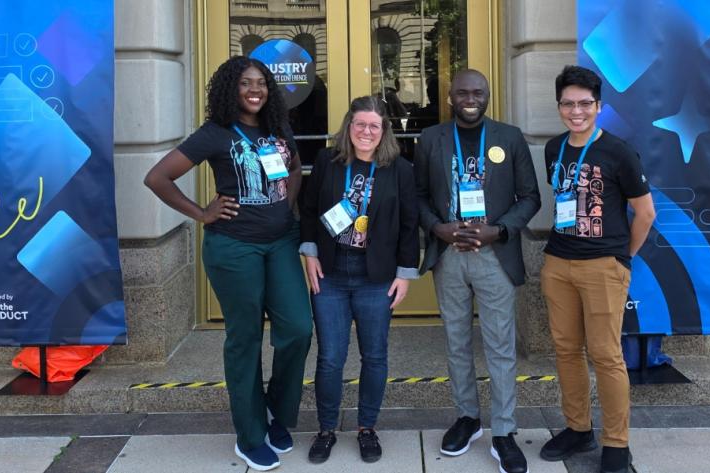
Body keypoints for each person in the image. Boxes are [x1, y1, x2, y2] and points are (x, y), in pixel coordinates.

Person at [144, 56, 311, 472]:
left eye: (261, 83)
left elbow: (294, 169)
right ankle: (249, 433)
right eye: (244, 83)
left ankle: (273, 409)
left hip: (281, 244)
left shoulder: (278, 127)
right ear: (229, 89)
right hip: (235, 249)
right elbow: (157, 178)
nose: (255, 90)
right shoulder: (214, 134)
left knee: (297, 328)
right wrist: (201, 213)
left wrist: (284, 206)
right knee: (245, 338)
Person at [414, 69, 541, 473]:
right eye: (463, 92)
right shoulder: (430, 139)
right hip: (448, 253)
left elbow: (531, 197)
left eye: (478, 92)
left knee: (500, 345)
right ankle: (467, 417)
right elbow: (416, 195)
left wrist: (498, 230)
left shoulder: (510, 137)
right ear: (450, 96)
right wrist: (437, 227)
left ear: (488, 96)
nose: (471, 98)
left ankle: (503, 431)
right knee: (455, 341)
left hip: (494, 254)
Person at [538, 65, 655, 473]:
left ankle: (617, 443)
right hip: (558, 262)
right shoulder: (554, 149)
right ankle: (578, 428)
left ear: (599, 107)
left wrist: (623, 257)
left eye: (585, 104)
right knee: (566, 350)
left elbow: (645, 212)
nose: (576, 111)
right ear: (559, 107)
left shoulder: (619, 152)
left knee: (605, 355)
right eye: (568, 104)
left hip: (603, 266)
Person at [299, 95, 420, 464]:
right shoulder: (327, 161)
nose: (366, 132)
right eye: (359, 124)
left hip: (376, 277)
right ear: (348, 127)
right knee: (331, 358)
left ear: (384, 131)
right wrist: (309, 252)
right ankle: (326, 430)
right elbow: (307, 209)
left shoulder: (399, 169)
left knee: (375, 355)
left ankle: (367, 427)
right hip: (332, 274)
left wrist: (405, 274)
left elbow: (409, 224)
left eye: (374, 126)